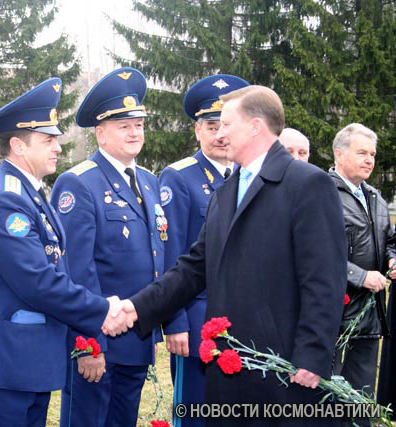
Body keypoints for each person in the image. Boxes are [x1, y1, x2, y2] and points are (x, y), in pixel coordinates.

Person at [114, 85, 347, 426]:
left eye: (226, 124)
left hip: (283, 367)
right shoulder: (227, 191)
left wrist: (313, 355)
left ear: (254, 126)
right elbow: (194, 268)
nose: (220, 134)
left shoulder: (306, 184)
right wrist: (136, 308)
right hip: (228, 364)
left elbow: (324, 279)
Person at [0, 77, 129, 427]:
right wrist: (103, 309)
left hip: (29, 362)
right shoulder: (5, 200)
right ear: (18, 146)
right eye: (48, 140)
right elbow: (37, 281)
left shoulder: (29, 195)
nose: (58, 148)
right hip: (3, 365)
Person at [51, 67, 164, 427]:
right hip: (99, 343)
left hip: (136, 340)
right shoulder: (79, 183)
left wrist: (152, 327)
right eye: (123, 126)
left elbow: (154, 257)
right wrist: (87, 343)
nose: (134, 133)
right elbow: (76, 272)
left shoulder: (148, 182)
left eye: (139, 125)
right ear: (100, 133)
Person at [159, 74, 249, 427]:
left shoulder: (248, 176)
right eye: (212, 127)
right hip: (197, 315)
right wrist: (175, 321)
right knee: (196, 410)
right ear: (197, 130)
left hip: (243, 315)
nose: (220, 135)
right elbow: (171, 254)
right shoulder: (179, 178)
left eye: (226, 126)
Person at [329, 123, 396, 426]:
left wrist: (392, 259)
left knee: (361, 401)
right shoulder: (323, 193)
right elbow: (317, 251)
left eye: (372, 154)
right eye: (362, 153)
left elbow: (389, 240)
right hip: (334, 317)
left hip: (368, 318)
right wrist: (360, 276)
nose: (369, 160)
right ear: (339, 154)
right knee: (328, 398)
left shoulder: (375, 197)